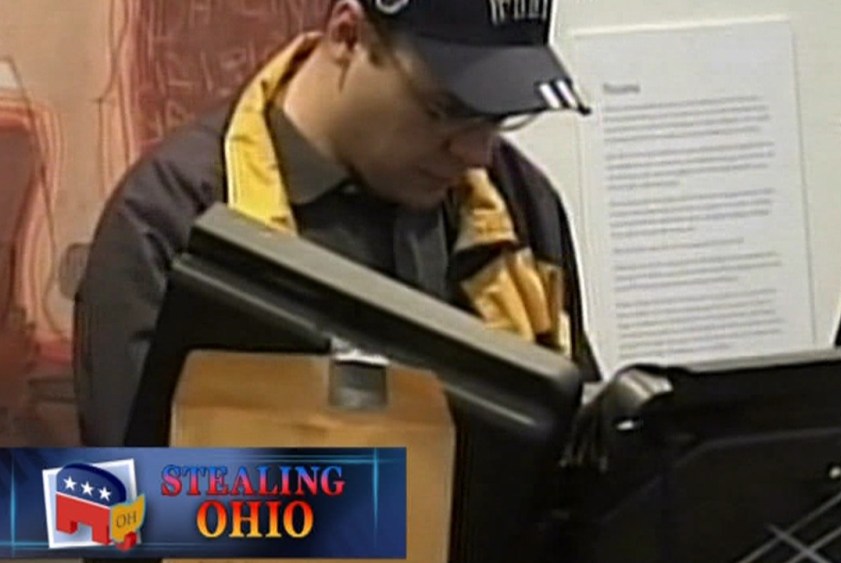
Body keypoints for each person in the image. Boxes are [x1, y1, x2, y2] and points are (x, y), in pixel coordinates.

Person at [74, 0, 598, 447]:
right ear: (348, 36)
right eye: (446, 110)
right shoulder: (168, 223)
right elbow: (120, 505)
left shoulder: (516, 201)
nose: (477, 153)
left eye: (499, 118)